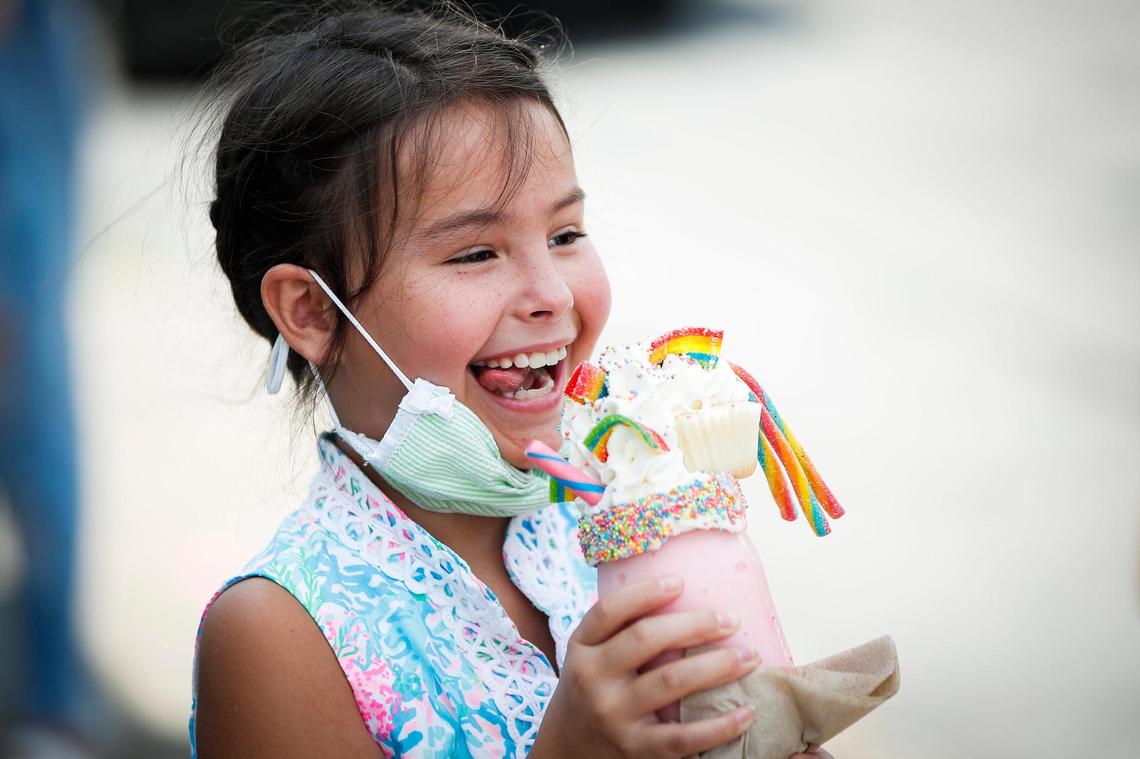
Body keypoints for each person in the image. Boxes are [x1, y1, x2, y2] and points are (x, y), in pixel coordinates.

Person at [191, 4, 834, 758]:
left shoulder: (610, 516)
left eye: (565, 235)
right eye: (475, 253)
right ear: (311, 311)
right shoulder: (276, 635)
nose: (553, 295)